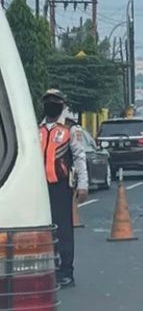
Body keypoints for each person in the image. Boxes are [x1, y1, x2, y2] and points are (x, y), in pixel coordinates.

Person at [39, 89, 89, 287]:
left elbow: (79, 157)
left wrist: (83, 185)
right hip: (40, 188)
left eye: (55, 100)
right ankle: (48, 269)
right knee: (44, 229)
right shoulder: (38, 128)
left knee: (63, 230)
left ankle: (66, 271)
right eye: (48, 100)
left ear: (62, 104)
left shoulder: (70, 128)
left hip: (60, 186)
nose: (51, 103)